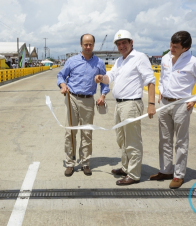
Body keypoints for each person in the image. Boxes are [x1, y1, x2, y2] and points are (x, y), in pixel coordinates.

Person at [149, 31, 196, 189]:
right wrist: (161, 90)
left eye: (175, 46)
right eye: (170, 45)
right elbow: (162, 78)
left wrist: (194, 98)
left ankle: (178, 175)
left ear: (186, 48)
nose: (171, 48)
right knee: (164, 139)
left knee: (181, 141)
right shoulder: (165, 58)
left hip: (181, 105)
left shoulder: (194, 63)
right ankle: (165, 170)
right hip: (165, 103)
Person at [94, 29, 156, 185]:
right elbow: (111, 77)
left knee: (132, 140)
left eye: (124, 43)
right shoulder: (120, 61)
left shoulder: (140, 58)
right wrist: (102, 78)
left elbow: (150, 81)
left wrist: (151, 104)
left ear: (131, 42)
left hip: (131, 103)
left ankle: (134, 174)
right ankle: (125, 166)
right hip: (120, 104)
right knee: (121, 138)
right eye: (119, 44)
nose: (121, 46)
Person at [57, 34, 110, 177]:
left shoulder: (99, 63)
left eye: (90, 44)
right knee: (71, 132)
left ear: (94, 45)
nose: (88, 47)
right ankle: (70, 163)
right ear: (81, 45)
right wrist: (63, 85)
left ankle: (85, 162)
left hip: (88, 100)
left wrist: (103, 96)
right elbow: (61, 76)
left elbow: (105, 81)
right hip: (72, 98)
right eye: (85, 44)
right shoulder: (72, 61)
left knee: (87, 132)